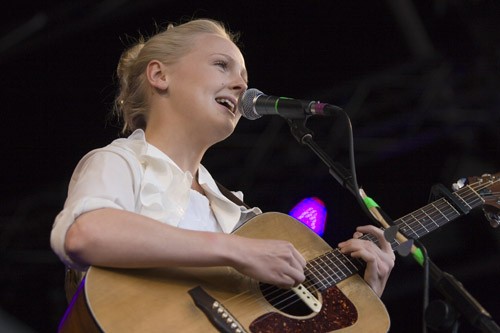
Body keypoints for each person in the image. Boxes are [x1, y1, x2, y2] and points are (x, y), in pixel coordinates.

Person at [50, 18, 394, 308]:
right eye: (221, 65)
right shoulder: (120, 162)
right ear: (159, 75)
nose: (242, 84)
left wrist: (364, 296)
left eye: (243, 74)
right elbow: (85, 235)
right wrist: (234, 249)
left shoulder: (239, 213)